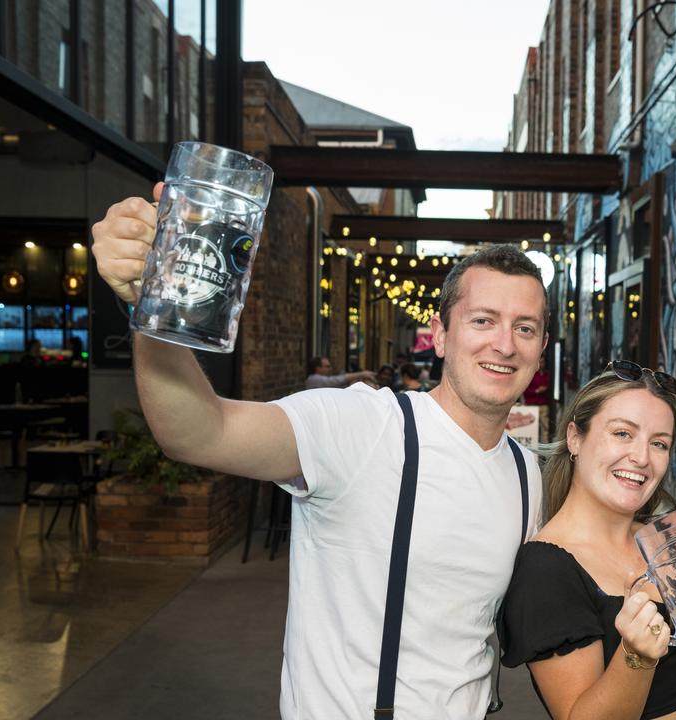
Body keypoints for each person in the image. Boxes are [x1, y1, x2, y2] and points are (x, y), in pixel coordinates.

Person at [92, 193, 547, 718]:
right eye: (484, 320)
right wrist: (153, 306)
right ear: (441, 336)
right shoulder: (362, 427)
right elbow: (199, 432)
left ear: (539, 349)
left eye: (525, 328)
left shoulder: (524, 473)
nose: (505, 345)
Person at [501, 362, 676, 720]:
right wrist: (636, 656)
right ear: (575, 437)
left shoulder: (669, 542)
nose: (641, 458)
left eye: (659, 443)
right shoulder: (546, 570)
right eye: (622, 433)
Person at [303, 356, 375, 390]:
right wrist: (361, 374)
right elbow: (335, 381)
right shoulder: (313, 379)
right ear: (318, 368)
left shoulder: (319, 378)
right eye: (327, 366)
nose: (330, 368)